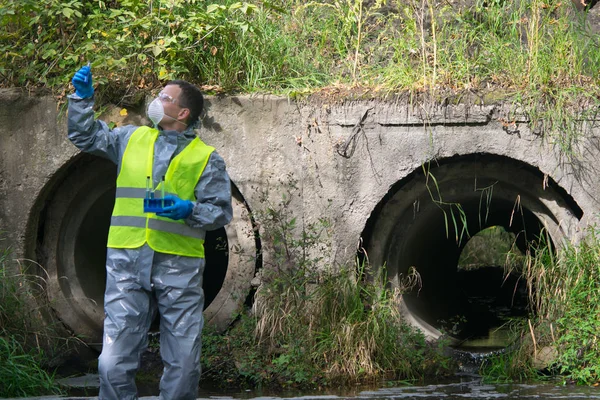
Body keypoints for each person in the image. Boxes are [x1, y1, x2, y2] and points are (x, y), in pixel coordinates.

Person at [68, 64, 233, 400]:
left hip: (179, 268)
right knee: (112, 363)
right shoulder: (131, 138)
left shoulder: (206, 159)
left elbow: (220, 213)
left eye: (164, 97)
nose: (156, 100)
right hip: (126, 263)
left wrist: (190, 211)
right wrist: (81, 100)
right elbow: (85, 136)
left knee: (184, 362)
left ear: (183, 112)